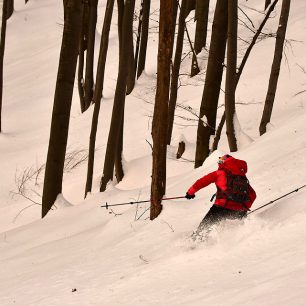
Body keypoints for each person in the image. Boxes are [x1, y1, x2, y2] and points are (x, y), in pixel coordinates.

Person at [186, 154, 256, 238]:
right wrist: (243, 207)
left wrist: (190, 193)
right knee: (232, 235)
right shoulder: (242, 178)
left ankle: (192, 246)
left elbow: (202, 182)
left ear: (223, 162)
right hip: (240, 212)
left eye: (220, 161)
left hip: (221, 208)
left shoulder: (220, 173)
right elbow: (253, 195)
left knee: (202, 232)